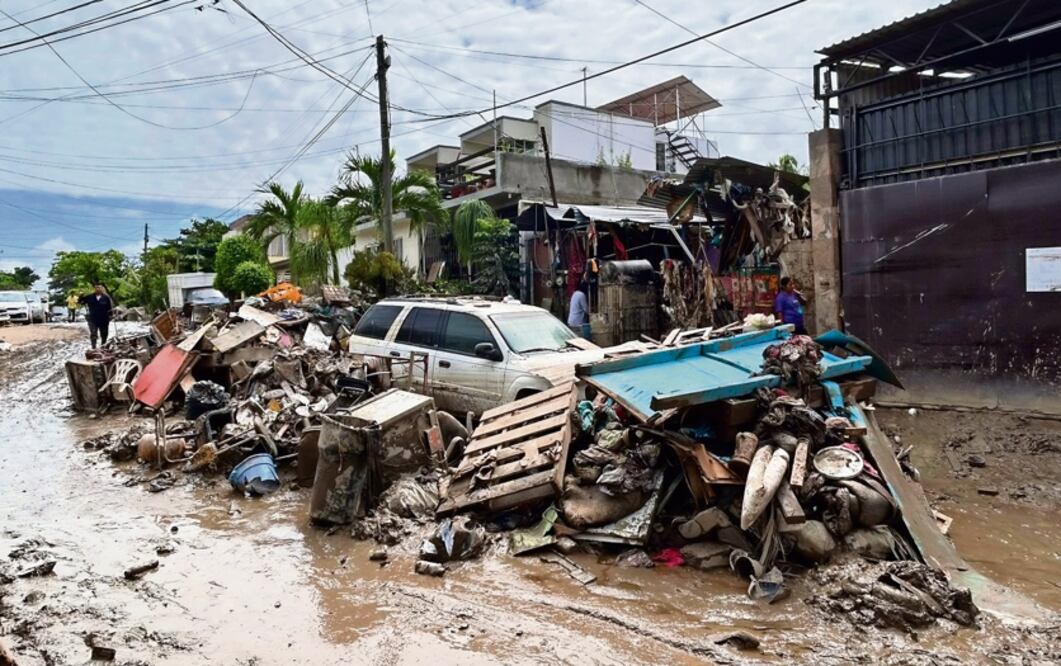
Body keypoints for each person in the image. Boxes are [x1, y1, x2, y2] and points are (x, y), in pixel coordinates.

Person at [79, 283, 113, 349]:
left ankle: (103, 347)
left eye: (99, 287)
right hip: (92, 318)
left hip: (104, 319)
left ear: (102, 289)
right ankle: (93, 348)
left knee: (104, 334)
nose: (98, 289)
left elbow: (110, 308)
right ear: (94, 289)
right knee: (93, 334)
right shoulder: (90, 297)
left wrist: (111, 316)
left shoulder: (106, 297)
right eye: (96, 287)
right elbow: (80, 302)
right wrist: (81, 295)